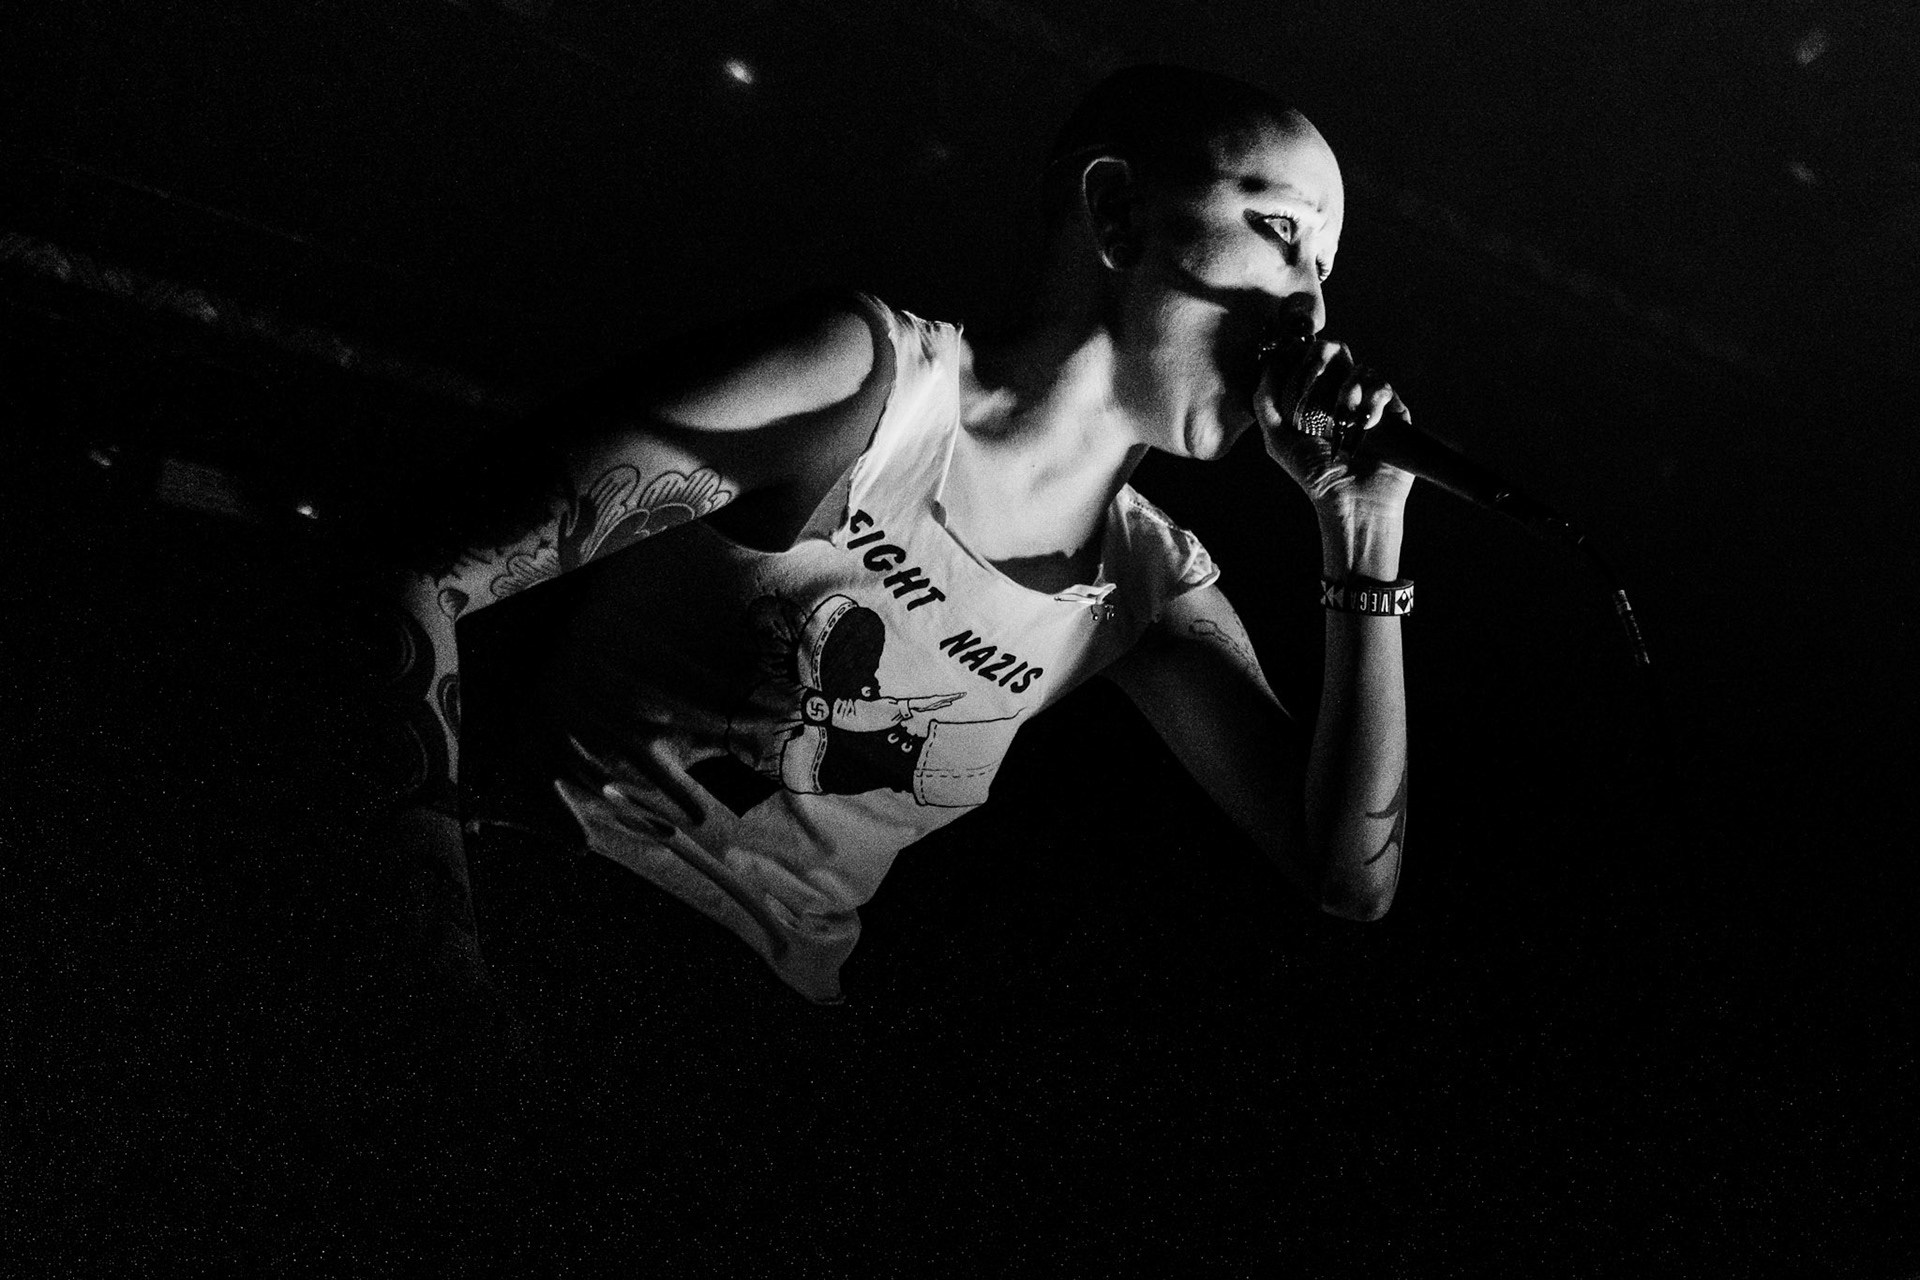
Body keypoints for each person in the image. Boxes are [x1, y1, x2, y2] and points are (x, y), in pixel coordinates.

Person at [362, 64, 1413, 1014]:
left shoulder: (1143, 581)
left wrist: (1362, 526)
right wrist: (433, 964)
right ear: (1116, 212)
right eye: (1281, 230)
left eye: (1325, 266)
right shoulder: (867, 386)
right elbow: (415, 571)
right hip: (552, 926)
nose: (1312, 306)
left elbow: (1349, 880)